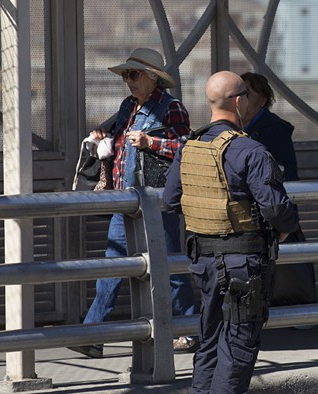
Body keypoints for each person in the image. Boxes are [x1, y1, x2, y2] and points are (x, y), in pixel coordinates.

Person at [163, 71, 298, 393]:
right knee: (238, 344)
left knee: (210, 338)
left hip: (203, 260)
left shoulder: (190, 148)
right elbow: (276, 209)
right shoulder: (250, 150)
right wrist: (284, 231)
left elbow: (169, 200)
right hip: (244, 263)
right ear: (239, 101)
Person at [68, 47, 197, 358]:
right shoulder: (128, 106)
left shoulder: (171, 107)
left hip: (156, 199)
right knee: (113, 266)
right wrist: (102, 132)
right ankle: (93, 334)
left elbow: (186, 145)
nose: (128, 80)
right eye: (126, 74)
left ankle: (188, 330)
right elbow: (116, 132)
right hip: (126, 199)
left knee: (168, 266)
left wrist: (152, 142)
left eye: (133, 74)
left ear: (153, 78)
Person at [240, 72, 316, 310]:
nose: (241, 99)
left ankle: (298, 310)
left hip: (272, 210)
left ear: (262, 100)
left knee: (285, 267)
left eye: (247, 93)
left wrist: (285, 219)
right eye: (239, 93)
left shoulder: (274, 130)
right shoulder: (237, 127)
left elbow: (286, 174)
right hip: (249, 213)